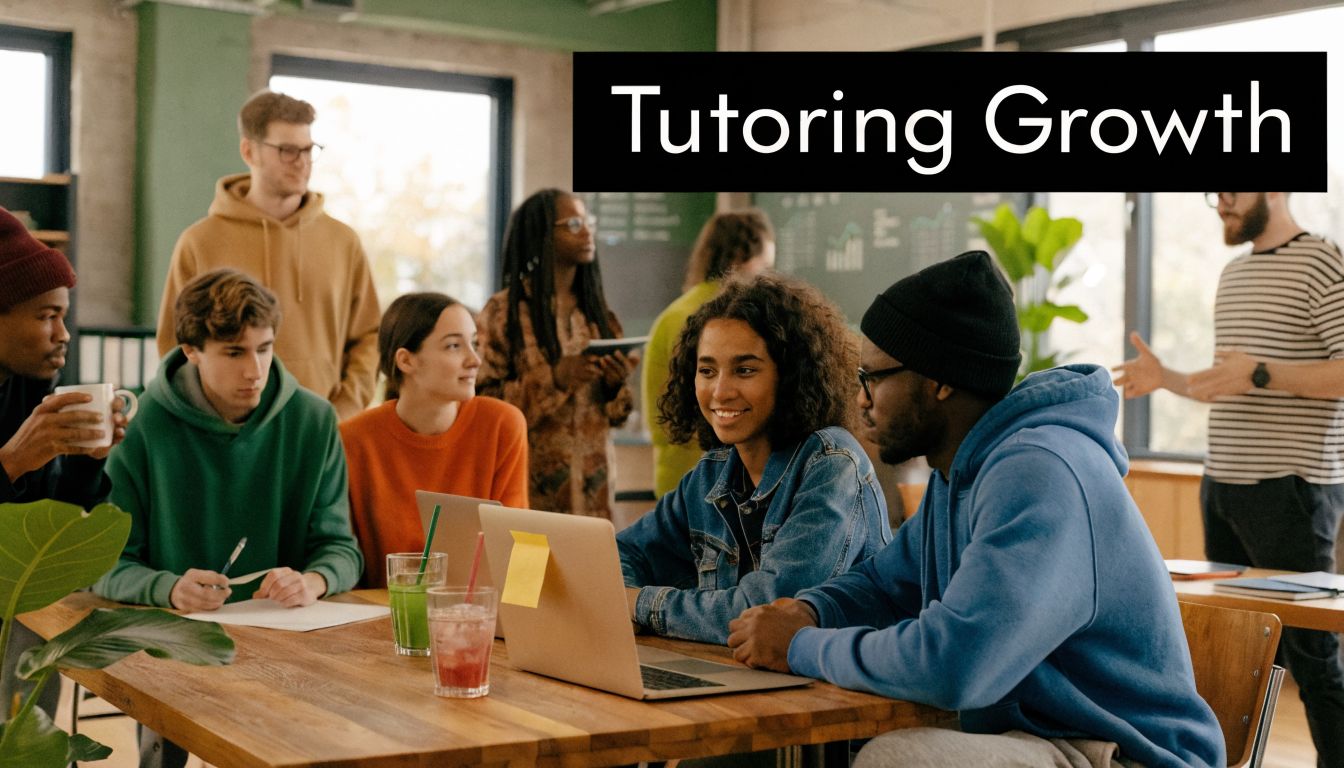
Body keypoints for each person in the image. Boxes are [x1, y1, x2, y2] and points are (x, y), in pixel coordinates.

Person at [727, 251, 1224, 768]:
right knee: (751, 754)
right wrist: (810, 611)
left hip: (1121, 753)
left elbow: (955, 663)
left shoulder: (1039, 471)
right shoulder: (962, 472)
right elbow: (886, 585)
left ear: (940, 381)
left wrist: (800, 646)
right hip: (1032, 736)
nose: (860, 400)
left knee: (900, 761)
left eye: (873, 377)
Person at [1114, 191, 1344, 767]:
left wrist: (1261, 373)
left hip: (1291, 489)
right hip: (1222, 485)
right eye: (1212, 193)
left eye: (1231, 191)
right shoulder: (1234, 274)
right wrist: (1167, 377)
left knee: (1313, 658)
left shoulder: (1322, 261)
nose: (1220, 203)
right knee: (1234, 657)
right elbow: (1229, 383)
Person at [618, 273, 890, 645]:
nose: (720, 391)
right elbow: (622, 553)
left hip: (829, 679)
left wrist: (640, 605)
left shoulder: (831, 464)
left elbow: (765, 614)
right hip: (739, 673)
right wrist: (623, 599)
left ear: (791, 376)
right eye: (707, 371)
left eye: (744, 370)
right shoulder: (711, 473)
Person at [154, 89, 380, 420]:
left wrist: (343, 410)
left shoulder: (344, 242)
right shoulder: (199, 242)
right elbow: (175, 345)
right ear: (249, 151)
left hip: (322, 426)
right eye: (287, 150)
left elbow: (369, 338)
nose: (302, 161)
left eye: (308, 149)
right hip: (227, 432)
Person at [0, 206, 127, 721]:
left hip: (17, 594)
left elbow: (54, 529)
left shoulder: (30, 387)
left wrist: (86, 461)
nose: (63, 334)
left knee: (38, 610)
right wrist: (11, 461)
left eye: (64, 316)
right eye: (46, 316)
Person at [340, 292, 529, 588]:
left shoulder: (502, 425)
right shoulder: (352, 440)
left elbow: (518, 551)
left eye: (474, 343)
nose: (475, 360)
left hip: (477, 609)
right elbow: (341, 556)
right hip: (383, 610)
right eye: (454, 346)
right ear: (406, 360)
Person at [476, 188, 638, 519]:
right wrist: (555, 379)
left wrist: (614, 386)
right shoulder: (503, 313)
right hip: (529, 497)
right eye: (574, 224)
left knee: (591, 555)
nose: (587, 231)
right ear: (542, 236)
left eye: (588, 221)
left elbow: (617, 416)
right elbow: (483, 408)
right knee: (530, 556)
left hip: (595, 497)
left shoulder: (598, 316)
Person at [643, 209, 775, 498]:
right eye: (764, 267)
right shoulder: (725, 318)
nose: (766, 280)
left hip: (680, 475)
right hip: (707, 479)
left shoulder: (675, 312)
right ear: (739, 257)